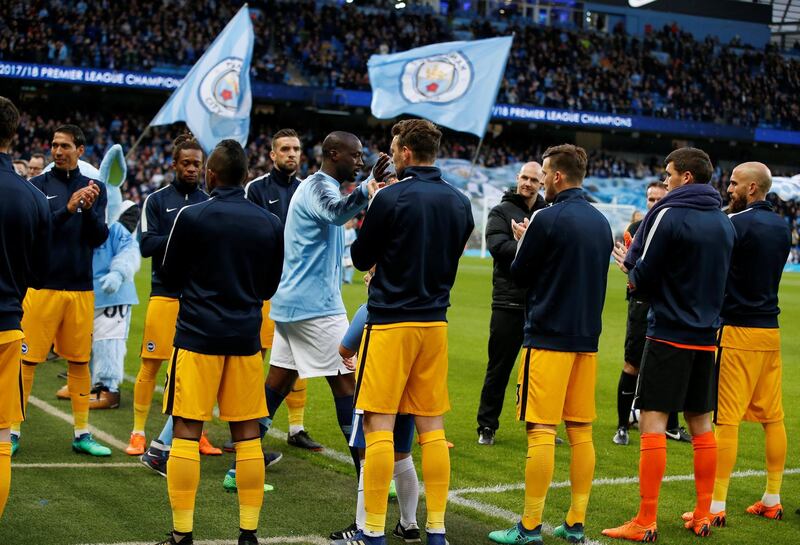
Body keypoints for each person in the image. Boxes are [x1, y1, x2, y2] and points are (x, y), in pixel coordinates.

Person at [223, 131, 381, 490]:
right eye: (355, 156)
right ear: (333, 154)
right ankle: (367, 476)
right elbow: (337, 213)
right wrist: (368, 186)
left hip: (293, 304)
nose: (360, 161)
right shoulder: (316, 188)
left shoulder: (316, 186)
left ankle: (240, 469)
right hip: (314, 309)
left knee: (276, 384)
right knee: (346, 384)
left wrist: (368, 185)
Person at [348, 119, 474, 545]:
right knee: (431, 429)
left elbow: (360, 258)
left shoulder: (390, 198)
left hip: (390, 323)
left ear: (403, 152)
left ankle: (372, 530)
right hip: (434, 324)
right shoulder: (460, 202)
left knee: (379, 428)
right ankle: (436, 528)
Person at [604, 147, 736, 541]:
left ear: (687, 178)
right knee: (701, 423)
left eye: (669, 174)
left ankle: (645, 520)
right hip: (706, 338)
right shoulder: (724, 222)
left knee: (652, 421)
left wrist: (629, 265)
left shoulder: (667, 214)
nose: (665, 180)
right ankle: (702, 514)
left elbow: (644, 275)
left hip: (668, 334)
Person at [157, 139, 284, 545]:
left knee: (186, 433)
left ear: (211, 174)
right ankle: (249, 534)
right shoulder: (268, 222)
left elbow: (170, 277)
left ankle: (183, 534)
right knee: (247, 436)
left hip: (197, 338)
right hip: (245, 339)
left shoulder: (193, 216)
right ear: (247, 176)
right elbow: (269, 286)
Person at [489, 144, 613, 545]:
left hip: (548, 336)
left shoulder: (545, 216)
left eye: (543, 173)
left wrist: (526, 240)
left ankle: (528, 527)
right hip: (587, 340)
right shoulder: (600, 221)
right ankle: (575, 523)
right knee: (581, 432)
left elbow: (520, 273)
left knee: (541, 430)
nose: (541, 180)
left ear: (557, 176)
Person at [692, 162, 790, 526]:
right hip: (770, 330)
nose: (727, 188)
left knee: (726, 420)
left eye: (733, 183)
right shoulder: (782, 226)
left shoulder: (733, 224)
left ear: (751, 188)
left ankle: (716, 505)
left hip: (736, 330)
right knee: (773, 417)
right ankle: (772, 496)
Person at [12, 124, 111, 457]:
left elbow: (99, 237)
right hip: (41, 287)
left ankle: (81, 433)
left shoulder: (95, 188)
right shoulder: (38, 186)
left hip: (80, 288)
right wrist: (68, 209)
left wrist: (87, 209)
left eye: (65, 145)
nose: (58, 150)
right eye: (54, 145)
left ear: (80, 150)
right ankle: (12, 431)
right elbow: (37, 233)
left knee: (80, 363)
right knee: (26, 362)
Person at [126, 133, 219, 458]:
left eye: (197, 164)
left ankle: (198, 433)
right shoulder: (156, 200)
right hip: (164, 295)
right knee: (151, 364)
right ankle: (138, 432)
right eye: (186, 163)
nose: (192, 169)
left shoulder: (209, 202)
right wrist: (183, 234)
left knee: (193, 369)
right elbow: (146, 244)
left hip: (197, 297)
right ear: (174, 164)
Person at [244, 128, 321, 452]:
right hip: (264, 289)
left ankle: (296, 427)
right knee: (254, 358)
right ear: (272, 154)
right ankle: (246, 426)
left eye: (296, 149)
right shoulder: (256, 189)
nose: (292, 154)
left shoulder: (309, 190)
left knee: (298, 357)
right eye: (285, 149)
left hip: (299, 289)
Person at [330, 268, 421, 544]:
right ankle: (409, 523)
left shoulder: (370, 307)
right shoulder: (416, 307)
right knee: (402, 455)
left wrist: (357, 358)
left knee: (368, 456)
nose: (366, 279)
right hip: (407, 391)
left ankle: (362, 527)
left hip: (375, 391)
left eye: (370, 274)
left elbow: (345, 349)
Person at [0, 96, 50, 518]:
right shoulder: (32, 198)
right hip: (7, 325)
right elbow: (38, 271)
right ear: (14, 135)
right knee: (0, 439)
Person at [613, 182, 690, 446]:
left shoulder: (674, 226)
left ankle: (672, 425)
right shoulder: (635, 230)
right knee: (632, 364)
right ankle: (623, 425)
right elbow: (632, 270)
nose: (654, 202)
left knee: (671, 364)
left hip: (669, 304)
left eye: (659, 198)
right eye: (650, 198)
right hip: (642, 303)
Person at [476, 161, 546, 446]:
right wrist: (527, 245)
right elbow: (498, 248)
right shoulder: (501, 212)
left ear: (542, 183)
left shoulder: (547, 212)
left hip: (541, 303)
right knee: (499, 367)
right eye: (524, 178)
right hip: (508, 302)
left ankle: (541, 427)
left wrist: (526, 243)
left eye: (533, 180)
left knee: (541, 372)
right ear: (517, 178)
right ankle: (486, 425)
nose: (527, 183)